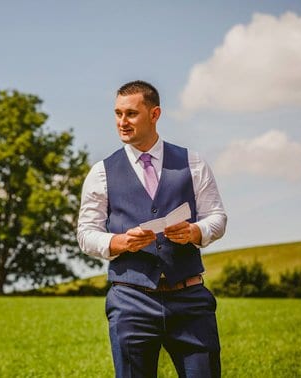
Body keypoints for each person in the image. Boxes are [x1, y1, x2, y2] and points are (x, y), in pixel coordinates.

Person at [77, 80, 227, 377]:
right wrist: (120, 242)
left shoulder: (193, 163)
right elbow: (86, 233)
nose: (122, 122)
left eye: (131, 114)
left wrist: (195, 232)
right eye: (118, 113)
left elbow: (217, 217)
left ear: (155, 113)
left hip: (190, 299)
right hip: (131, 301)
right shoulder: (101, 173)